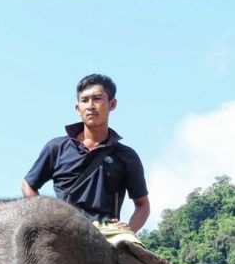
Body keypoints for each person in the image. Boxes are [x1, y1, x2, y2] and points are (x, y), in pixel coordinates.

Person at [21, 73, 150, 236]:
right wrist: (45, 216)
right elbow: (28, 185)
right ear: (78, 108)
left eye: (97, 98)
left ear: (112, 104)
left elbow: (142, 205)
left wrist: (129, 230)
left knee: (144, 260)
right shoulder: (56, 147)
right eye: (84, 100)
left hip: (108, 233)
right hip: (63, 229)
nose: (90, 105)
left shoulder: (127, 156)